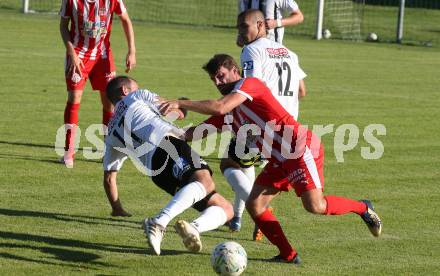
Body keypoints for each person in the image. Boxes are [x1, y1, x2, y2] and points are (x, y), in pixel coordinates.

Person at [160, 54, 382, 264]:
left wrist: (182, 103)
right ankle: (288, 255)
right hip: (278, 160)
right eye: (213, 79)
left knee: (315, 205)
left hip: (298, 148)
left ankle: (362, 207)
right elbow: (192, 135)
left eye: (221, 75)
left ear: (234, 70)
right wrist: (159, 128)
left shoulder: (249, 85)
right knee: (255, 205)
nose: (218, 82)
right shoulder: (229, 113)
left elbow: (219, 107)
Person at [102, 76, 233, 256]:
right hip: (167, 145)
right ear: (125, 91)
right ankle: (159, 222)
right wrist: (182, 106)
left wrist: (117, 208)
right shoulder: (137, 96)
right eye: (135, 86)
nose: (138, 87)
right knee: (204, 181)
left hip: (157, 174)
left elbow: (109, 177)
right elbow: (168, 107)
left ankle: (194, 228)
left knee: (226, 208)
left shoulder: (110, 133)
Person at [224, 9, 307, 236]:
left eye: (244, 27)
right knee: (244, 164)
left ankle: (255, 211)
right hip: (290, 127)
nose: (240, 31)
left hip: (265, 124)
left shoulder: (251, 51)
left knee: (229, 164)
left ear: (260, 25)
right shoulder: (290, 53)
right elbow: (302, 90)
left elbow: (252, 86)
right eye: (239, 27)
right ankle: (238, 217)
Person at [59, 0, 136, 168]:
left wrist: (132, 50)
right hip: (78, 55)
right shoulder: (71, 1)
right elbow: (63, 26)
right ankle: (68, 151)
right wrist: (71, 52)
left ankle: (108, 150)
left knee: (110, 102)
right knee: (74, 98)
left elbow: (125, 20)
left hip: (103, 56)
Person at [237, 0, 304, 45]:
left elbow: (299, 17)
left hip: (273, 49)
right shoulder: (243, 1)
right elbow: (243, 21)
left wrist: (277, 23)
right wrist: (240, 35)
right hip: (251, 48)